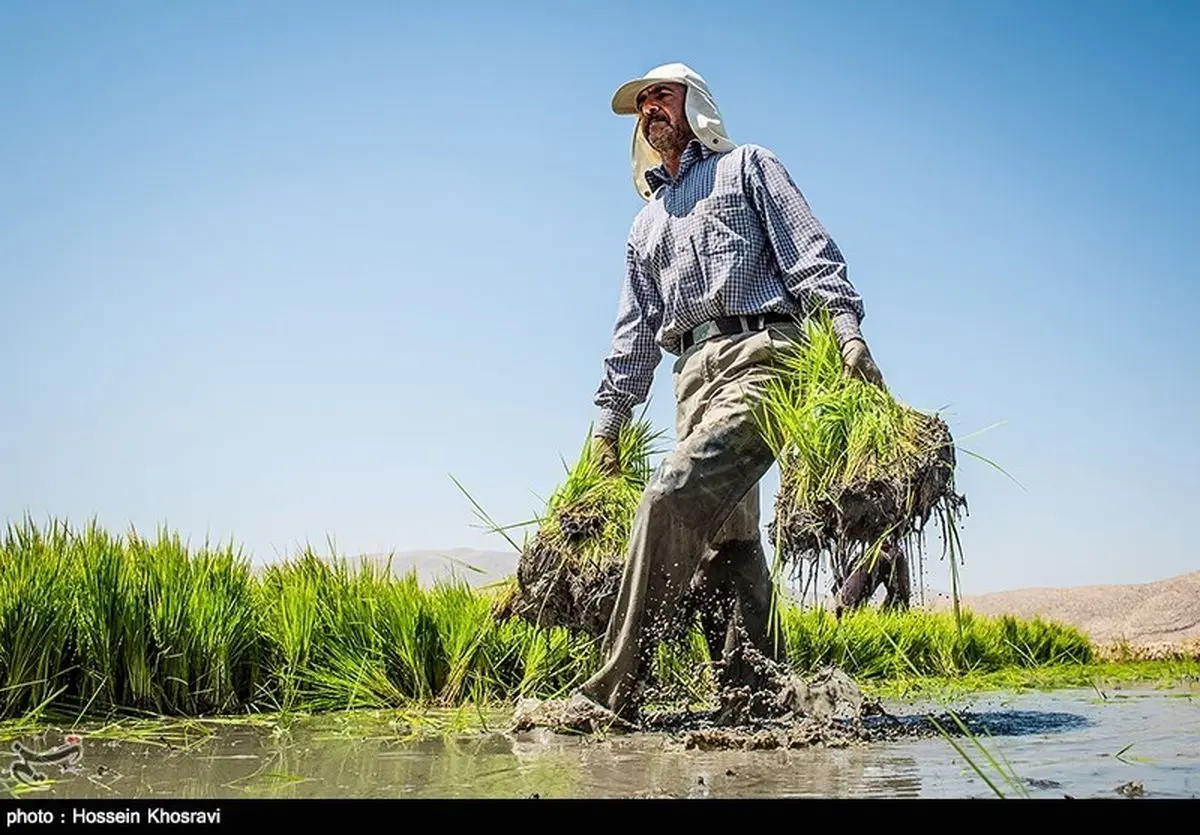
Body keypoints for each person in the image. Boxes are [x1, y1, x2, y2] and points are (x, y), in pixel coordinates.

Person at [539, 63, 885, 730]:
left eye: (660, 96)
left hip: (764, 358)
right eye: (642, 104)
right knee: (728, 542)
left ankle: (612, 697)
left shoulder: (749, 168)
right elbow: (634, 335)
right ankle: (760, 696)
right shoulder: (644, 226)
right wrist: (607, 429)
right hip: (690, 377)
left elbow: (810, 252)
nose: (649, 110)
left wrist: (846, 334)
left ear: (695, 105)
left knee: (672, 491)